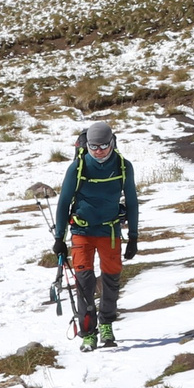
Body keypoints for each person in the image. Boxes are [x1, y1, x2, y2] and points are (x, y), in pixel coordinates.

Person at [53, 120, 139, 350]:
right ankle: (88, 333)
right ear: (86, 146)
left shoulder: (123, 166)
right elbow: (63, 203)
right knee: (84, 283)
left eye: (103, 146)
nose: (99, 151)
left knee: (111, 281)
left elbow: (131, 201)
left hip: (110, 232)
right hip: (82, 232)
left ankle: (107, 325)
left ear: (112, 142)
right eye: (93, 147)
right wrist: (59, 239)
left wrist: (134, 236)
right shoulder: (78, 167)